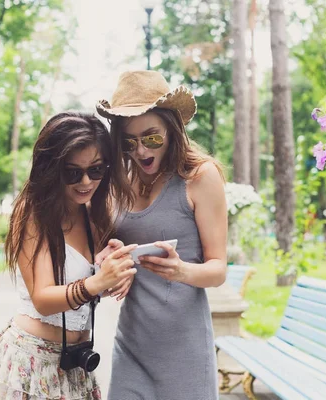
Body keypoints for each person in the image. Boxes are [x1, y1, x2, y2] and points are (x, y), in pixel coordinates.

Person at [0, 112, 138, 400]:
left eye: (96, 170)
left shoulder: (91, 214)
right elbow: (44, 299)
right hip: (32, 365)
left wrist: (112, 274)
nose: (86, 181)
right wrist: (96, 284)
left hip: (76, 368)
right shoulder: (33, 212)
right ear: (51, 169)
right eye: (72, 173)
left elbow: (83, 290)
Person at [96, 71, 228, 400]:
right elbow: (101, 247)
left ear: (172, 127)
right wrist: (108, 255)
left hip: (185, 351)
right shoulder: (121, 181)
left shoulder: (200, 176)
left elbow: (218, 268)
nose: (141, 150)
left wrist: (182, 270)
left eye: (151, 138)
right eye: (129, 141)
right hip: (132, 347)